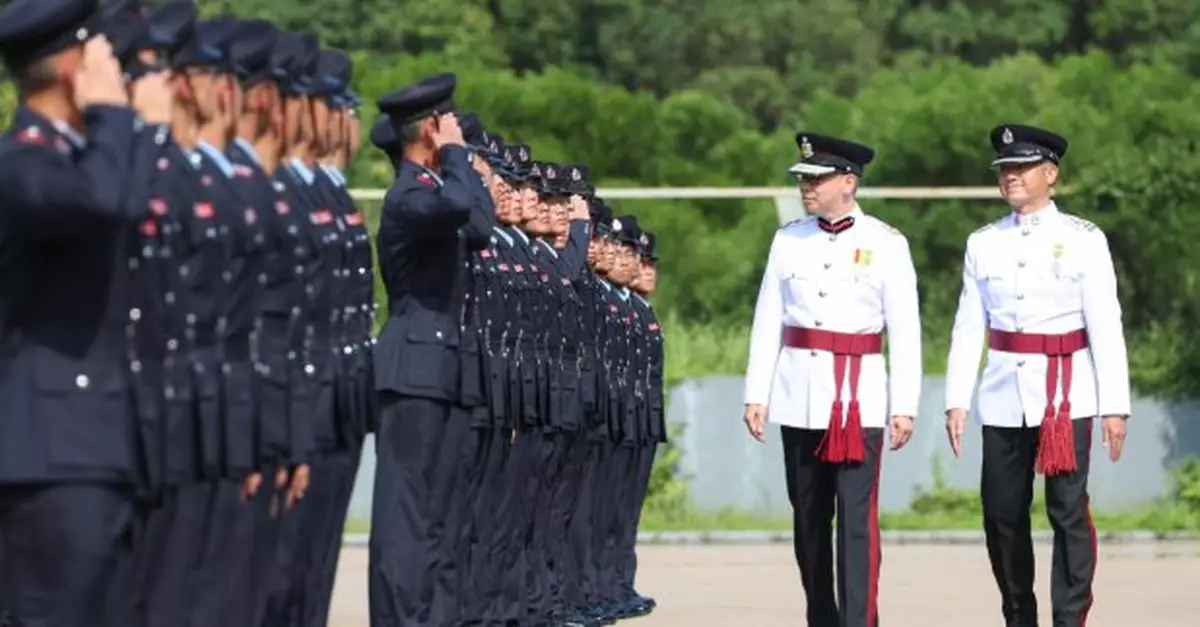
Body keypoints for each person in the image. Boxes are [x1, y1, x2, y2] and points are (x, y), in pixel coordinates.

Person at [0, 0, 163, 623]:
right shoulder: (25, 161)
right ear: (76, 68)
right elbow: (102, 202)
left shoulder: (77, 158)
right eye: (106, 60)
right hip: (49, 454)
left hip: (93, 444)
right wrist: (118, 118)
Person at [943, 124, 1130, 627]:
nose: (1011, 177)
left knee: (1067, 512)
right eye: (1005, 169)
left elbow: (1105, 322)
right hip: (1004, 395)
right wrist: (956, 398)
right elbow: (968, 325)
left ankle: (1069, 619)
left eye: (1022, 168)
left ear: (1051, 173)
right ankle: (1018, 614)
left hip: (1068, 393)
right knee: (1001, 515)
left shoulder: (1083, 239)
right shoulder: (983, 243)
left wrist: (1115, 404)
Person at [742, 132, 921, 627]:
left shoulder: (886, 243)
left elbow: (906, 330)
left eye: (816, 178)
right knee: (809, 521)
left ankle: (860, 621)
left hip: (858, 400)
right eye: (803, 178)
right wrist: (757, 392)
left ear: (848, 181)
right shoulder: (788, 239)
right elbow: (768, 319)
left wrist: (903, 404)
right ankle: (821, 616)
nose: (806, 187)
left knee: (857, 524)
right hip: (799, 398)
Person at [369, 72, 489, 626]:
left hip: (441, 368)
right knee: (406, 517)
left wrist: (457, 158)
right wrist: (456, 157)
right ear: (430, 132)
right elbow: (463, 206)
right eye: (450, 124)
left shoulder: (438, 195)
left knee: (441, 515)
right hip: (412, 369)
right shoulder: (409, 198)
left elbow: (481, 226)